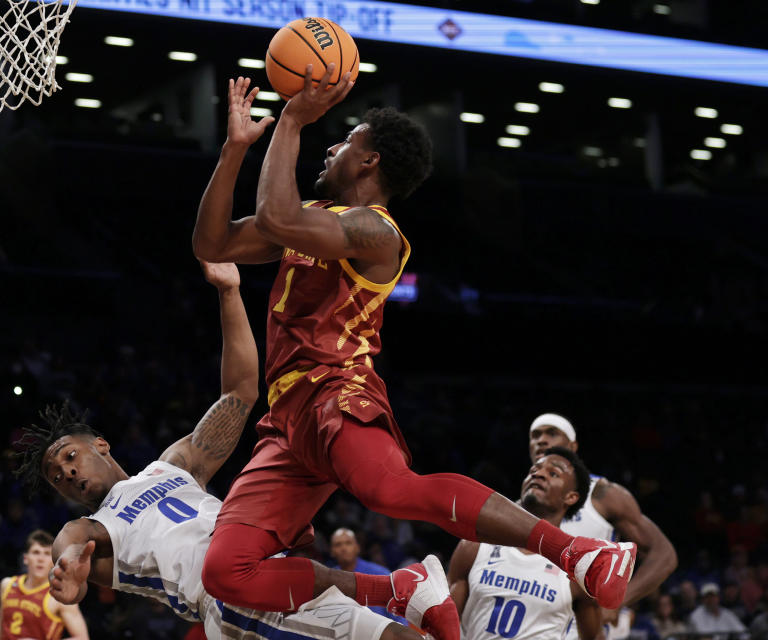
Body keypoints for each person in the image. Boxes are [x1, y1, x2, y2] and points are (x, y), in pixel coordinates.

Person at [190, 68, 636, 637]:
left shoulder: (380, 234)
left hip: (335, 390)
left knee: (389, 490)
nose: (331, 148)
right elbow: (212, 244)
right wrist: (233, 150)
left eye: (345, 140)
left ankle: (578, 553)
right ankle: (396, 589)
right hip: (285, 420)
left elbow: (277, 216)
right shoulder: (313, 219)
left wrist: (294, 120)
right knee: (226, 573)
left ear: (370, 160)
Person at [17, 262, 440, 640]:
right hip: (232, 603)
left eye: (69, 456)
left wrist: (229, 292)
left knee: (386, 633)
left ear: (101, 444)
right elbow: (70, 542)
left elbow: (239, 391)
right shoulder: (95, 527)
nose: (66, 473)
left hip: (265, 575)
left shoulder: (172, 466)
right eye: (56, 476)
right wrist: (68, 567)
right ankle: (405, 587)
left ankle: (408, 589)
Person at [448, 447, 603, 640]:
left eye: (553, 473)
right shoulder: (474, 546)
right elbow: (443, 624)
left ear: (570, 497)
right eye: (534, 470)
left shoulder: (577, 570)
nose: (539, 474)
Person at [528, 413, 677, 610]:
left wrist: (619, 601)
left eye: (552, 433)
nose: (542, 440)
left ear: (573, 446)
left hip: (582, 626)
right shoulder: (525, 499)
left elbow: (663, 554)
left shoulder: (602, 493)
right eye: (535, 435)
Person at [0, 530, 88, 640]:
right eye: (36, 552)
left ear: (53, 562)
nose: (40, 559)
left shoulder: (60, 595)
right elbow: (1, 624)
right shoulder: (7, 584)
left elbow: (82, 637)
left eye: (46, 554)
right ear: (25, 559)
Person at [328, 528, 407, 624]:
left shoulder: (379, 573)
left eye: (348, 543)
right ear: (332, 551)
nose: (343, 548)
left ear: (357, 548)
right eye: (338, 545)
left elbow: (399, 613)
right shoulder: (327, 579)